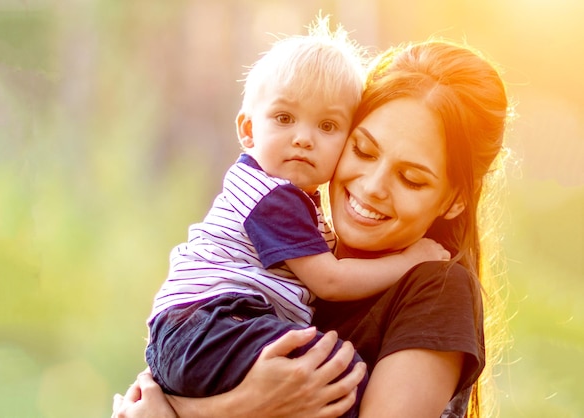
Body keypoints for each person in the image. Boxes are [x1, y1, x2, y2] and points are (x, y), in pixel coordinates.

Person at [114, 34, 511, 418]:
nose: (372, 188)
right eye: (364, 150)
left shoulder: (437, 288)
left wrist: (204, 413)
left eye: (411, 178)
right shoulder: (291, 268)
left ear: (455, 198)